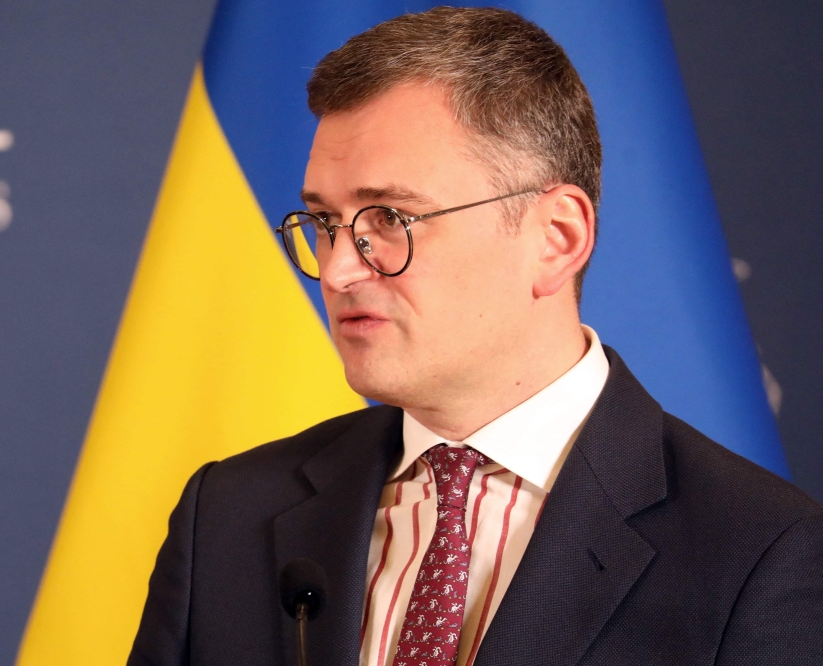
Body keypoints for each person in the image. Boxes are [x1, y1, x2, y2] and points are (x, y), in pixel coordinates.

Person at [128, 7, 823, 665]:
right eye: (324, 224)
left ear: (557, 238)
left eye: (390, 220)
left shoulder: (760, 551)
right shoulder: (228, 515)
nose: (338, 270)